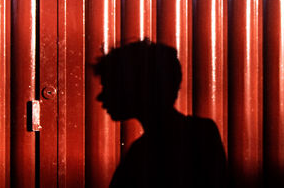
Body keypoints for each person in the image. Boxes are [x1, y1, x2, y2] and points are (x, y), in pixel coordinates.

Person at [93, 40, 226, 187]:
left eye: (109, 86)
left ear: (136, 87)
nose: (100, 97)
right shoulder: (203, 133)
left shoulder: (140, 155)